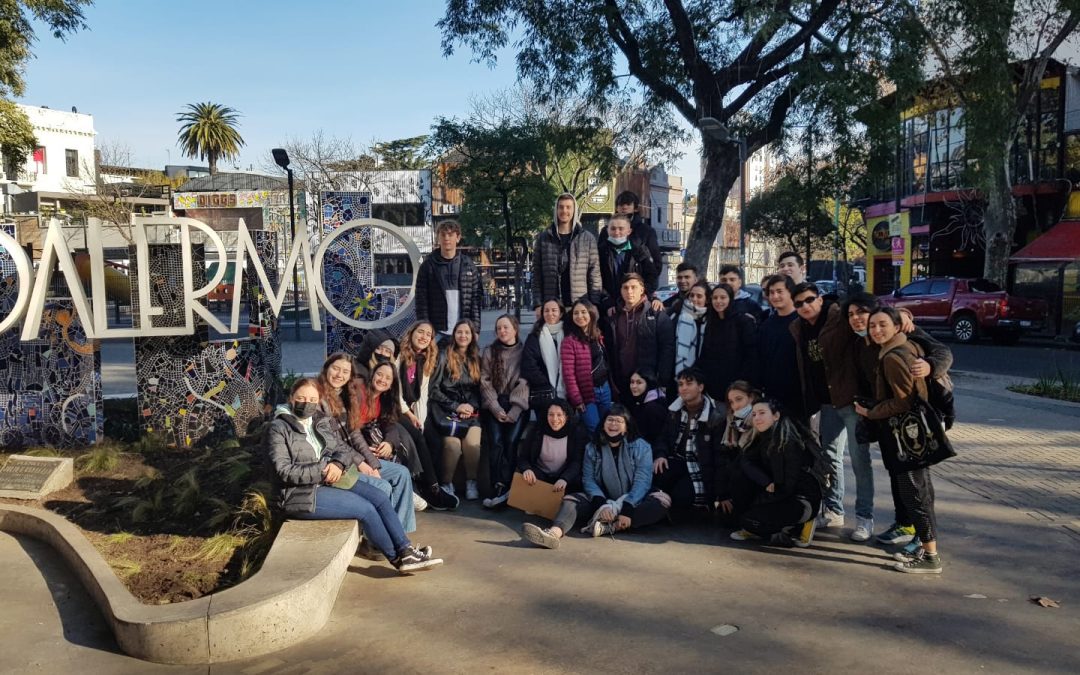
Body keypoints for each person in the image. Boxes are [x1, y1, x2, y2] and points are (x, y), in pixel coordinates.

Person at [266, 378, 442, 574]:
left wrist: (338, 463)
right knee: (365, 509)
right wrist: (324, 469)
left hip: (330, 479)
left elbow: (339, 448)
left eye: (312, 399)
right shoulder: (279, 428)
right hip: (300, 493)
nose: (307, 403)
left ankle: (405, 549)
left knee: (379, 496)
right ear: (291, 398)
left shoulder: (318, 420)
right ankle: (396, 558)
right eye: (301, 398)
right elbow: (283, 470)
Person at [847, 296, 952, 556]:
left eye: (864, 313)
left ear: (895, 323)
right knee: (901, 478)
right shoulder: (867, 343)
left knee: (916, 484)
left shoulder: (903, 339)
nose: (859, 319)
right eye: (851, 314)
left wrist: (930, 366)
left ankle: (924, 541)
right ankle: (906, 525)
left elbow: (943, 353)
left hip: (908, 424)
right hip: (890, 423)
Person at [520, 405, 669, 549]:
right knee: (570, 501)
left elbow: (643, 481)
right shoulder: (592, 448)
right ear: (603, 423)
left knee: (662, 502)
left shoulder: (642, 447)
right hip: (601, 500)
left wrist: (627, 508)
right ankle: (553, 533)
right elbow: (588, 479)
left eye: (619, 421)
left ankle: (610, 526)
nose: (613, 424)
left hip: (633, 501)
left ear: (626, 427)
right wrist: (601, 504)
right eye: (610, 420)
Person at [317, 353, 420, 534]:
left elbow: (355, 433)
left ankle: (399, 534)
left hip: (353, 456)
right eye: (336, 369)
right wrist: (362, 463)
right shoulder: (320, 397)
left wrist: (372, 463)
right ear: (326, 368)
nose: (339, 375)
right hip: (337, 462)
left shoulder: (343, 396)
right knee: (383, 486)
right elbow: (335, 441)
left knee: (402, 473)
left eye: (345, 371)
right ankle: (376, 539)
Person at [788, 281, 854, 533]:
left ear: (819, 298)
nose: (804, 306)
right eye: (799, 304)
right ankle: (834, 508)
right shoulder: (798, 327)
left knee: (855, 459)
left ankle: (850, 513)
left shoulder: (838, 316)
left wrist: (901, 315)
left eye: (809, 300)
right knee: (829, 455)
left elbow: (869, 313)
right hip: (823, 401)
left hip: (847, 398)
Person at [728, 400, 824, 547]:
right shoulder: (763, 437)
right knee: (740, 479)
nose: (757, 418)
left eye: (762, 413)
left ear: (776, 416)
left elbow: (786, 486)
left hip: (801, 500)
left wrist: (756, 503)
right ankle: (773, 527)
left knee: (749, 520)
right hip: (779, 494)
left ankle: (801, 525)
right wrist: (765, 481)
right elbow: (745, 462)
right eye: (754, 414)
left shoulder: (788, 443)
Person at [396, 321, 460, 511]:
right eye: (420, 332)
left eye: (428, 335)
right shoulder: (399, 356)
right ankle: (432, 491)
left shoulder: (426, 358)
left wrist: (420, 419)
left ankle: (433, 485)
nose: (423, 337)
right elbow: (394, 391)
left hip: (413, 410)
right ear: (411, 332)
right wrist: (409, 414)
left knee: (432, 438)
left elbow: (422, 393)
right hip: (395, 409)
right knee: (417, 438)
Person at [651, 368, 729, 512]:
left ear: (700, 387)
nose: (683, 388)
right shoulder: (674, 410)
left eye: (689, 383)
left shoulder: (716, 415)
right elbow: (663, 437)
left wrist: (721, 493)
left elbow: (720, 457)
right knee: (656, 474)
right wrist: (660, 455)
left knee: (680, 498)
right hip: (677, 460)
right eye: (680, 384)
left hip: (700, 467)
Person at [429, 319, 484, 501]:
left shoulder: (476, 358)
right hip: (448, 412)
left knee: (472, 444)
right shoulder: (444, 356)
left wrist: (470, 406)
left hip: (471, 412)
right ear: (454, 335)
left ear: (472, 336)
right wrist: (456, 406)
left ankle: (472, 481)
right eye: (459, 332)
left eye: (467, 332)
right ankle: (447, 483)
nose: (463, 336)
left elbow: (479, 389)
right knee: (452, 446)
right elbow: (434, 389)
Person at [479, 314, 530, 508]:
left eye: (506, 327)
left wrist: (515, 410)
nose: (502, 331)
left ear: (515, 329)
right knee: (496, 442)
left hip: (518, 403)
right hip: (495, 403)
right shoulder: (490, 352)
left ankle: (507, 487)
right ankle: (497, 486)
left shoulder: (524, 352)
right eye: (499, 328)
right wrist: (495, 408)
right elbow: (485, 381)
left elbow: (525, 382)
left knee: (511, 441)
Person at [604, 273, 675, 404]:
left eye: (633, 287)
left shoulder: (656, 313)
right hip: (621, 381)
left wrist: (662, 379)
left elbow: (667, 348)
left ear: (642, 289)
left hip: (648, 381)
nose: (629, 291)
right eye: (625, 287)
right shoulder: (613, 315)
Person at [531, 192, 602, 312]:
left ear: (574, 210)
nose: (564, 211)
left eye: (568, 207)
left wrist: (594, 303)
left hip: (579, 306)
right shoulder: (543, 238)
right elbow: (536, 274)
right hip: (552, 307)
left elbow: (594, 273)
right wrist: (538, 304)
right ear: (556, 210)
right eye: (561, 207)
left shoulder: (587, 238)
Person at [415, 220, 483, 336]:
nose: (446, 238)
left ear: (458, 237)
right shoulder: (428, 266)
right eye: (443, 234)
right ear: (438, 238)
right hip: (437, 332)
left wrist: (475, 329)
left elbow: (475, 300)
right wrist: (425, 329)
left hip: (463, 332)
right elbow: (421, 301)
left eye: (450, 235)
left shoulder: (468, 265)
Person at [561, 299, 612, 433]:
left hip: (604, 389)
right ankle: (595, 454)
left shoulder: (597, 335)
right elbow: (568, 374)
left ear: (591, 314)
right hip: (586, 393)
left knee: (607, 428)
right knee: (594, 428)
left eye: (583, 312)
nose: (580, 316)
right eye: (576, 313)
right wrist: (577, 399)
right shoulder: (569, 341)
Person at [757, 275, 803, 421]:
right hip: (772, 395)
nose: (775, 296)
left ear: (791, 292)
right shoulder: (766, 325)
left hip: (799, 396)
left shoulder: (803, 322)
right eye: (771, 292)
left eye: (779, 291)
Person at [701, 284, 759, 401]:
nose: (718, 301)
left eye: (723, 297)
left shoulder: (743, 321)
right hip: (714, 384)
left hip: (737, 385)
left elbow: (752, 355)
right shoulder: (710, 323)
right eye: (715, 298)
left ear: (730, 299)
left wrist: (743, 382)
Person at [597, 214, 659, 313]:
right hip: (610, 307)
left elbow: (652, 276)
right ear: (607, 231)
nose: (617, 232)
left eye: (621, 229)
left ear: (629, 231)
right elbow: (596, 280)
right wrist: (607, 301)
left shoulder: (640, 250)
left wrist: (641, 295)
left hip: (637, 305)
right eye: (613, 229)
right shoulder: (600, 252)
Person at [522, 299, 567, 415]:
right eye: (546, 311)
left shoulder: (569, 334)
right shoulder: (534, 336)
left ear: (561, 313)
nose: (550, 314)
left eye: (554, 310)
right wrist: (547, 385)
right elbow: (528, 365)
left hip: (567, 390)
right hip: (543, 392)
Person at [672, 280, 710, 380]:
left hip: (704, 372)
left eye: (699, 296)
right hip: (679, 371)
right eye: (692, 295)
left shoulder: (710, 320)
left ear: (706, 300)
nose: (694, 299)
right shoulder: (678, 316)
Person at [626, 371, 668, 447]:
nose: (634, 386)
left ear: (648, 384)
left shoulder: (653, 408)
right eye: (632, 382)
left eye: (639, 383)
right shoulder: (640, 401)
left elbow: (656, 437)